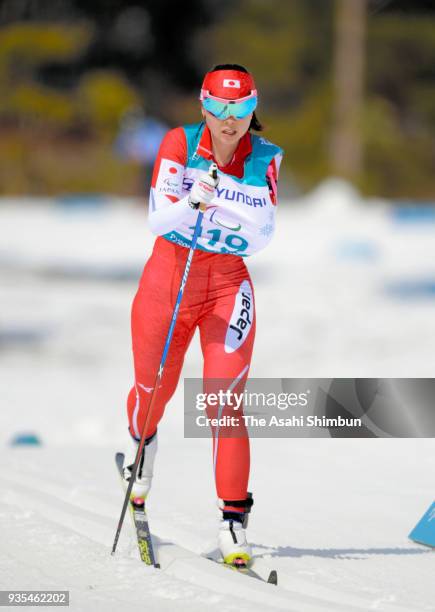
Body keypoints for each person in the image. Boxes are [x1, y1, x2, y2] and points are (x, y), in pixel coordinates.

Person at [122, 64, 283, 566]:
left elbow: (260, 234)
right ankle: (141, 447)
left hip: (227, 286)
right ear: (203, 105)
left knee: (224, 402)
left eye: (239, 108)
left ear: (253, 107)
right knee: (154, 391)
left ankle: (234, 520)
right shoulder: (178, 143)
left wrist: (217, 205)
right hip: (168, 281)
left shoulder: (267, 157)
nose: (229, 119)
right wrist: (193, 200)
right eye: (218, 107)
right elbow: (158, 217)